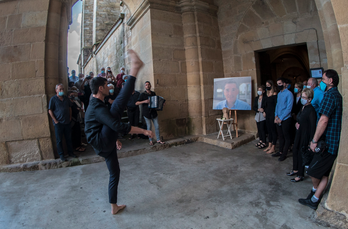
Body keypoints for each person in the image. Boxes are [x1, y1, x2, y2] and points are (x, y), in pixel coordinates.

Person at [85, 50, 154, 215]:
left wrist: (114, 140)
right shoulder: (97, 108)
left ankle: (114, 206)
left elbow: (102, 126)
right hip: (101, 143)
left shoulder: (97, 103)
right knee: (116, 108)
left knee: (115, 172)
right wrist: (144, 131)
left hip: (105, 144)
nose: (110, 86)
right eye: (107, 85)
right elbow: (119, 126)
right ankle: (134, 69)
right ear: (101, 88)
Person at [298, 69, 342, 210]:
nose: (321, 81)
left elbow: (323, 120)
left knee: (312, 171)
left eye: (323, 79)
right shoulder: (334, 95)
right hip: (330, 142)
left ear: (330, 81)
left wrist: (314, 140)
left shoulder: (330, 96)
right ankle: (314, 197)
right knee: (323, 173)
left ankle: (315, 195)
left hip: (327, 142)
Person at [287, 88, 316, 182]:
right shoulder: (303, 107)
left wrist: (311, 140)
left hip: (305, 134)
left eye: (304, 97)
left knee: (301, 153)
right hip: (299, 133)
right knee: (295, 150)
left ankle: (300, 174)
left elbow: (312, 126)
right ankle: (295, 169)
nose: (302, 99)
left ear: (310, 99)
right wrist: (297, 123)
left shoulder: (311, 110)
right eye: (302, 97)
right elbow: (299, 119)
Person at [48, 84, 77, 161]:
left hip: (67, 122)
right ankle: (61, 154)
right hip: (58, 123)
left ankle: (70, 152)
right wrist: (55, 120)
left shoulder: (66, 99)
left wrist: (70, 117)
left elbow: (69, 107)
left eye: (63, 89)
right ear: (56, 90)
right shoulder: (53, 99)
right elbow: (50, 110)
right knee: (59, 140)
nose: (62, 91)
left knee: (68, 138)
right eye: (60, 89)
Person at [136, 81, 165, 145]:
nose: (147, 86)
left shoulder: (153, 93)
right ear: (145, 86)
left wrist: (161, 104)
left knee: (157, 126)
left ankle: (158, 139)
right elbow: (137, 103)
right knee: (149, 127)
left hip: (153, 112)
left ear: (150, 86)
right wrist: (144, 101)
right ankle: (150, 141)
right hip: (146, 113)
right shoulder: (142, 94)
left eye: (148, 85)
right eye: (146, 85)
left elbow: (156, 102)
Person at [272, 77, 294, 161]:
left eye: (280, 84)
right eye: (278, 84)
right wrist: (276, 116)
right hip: (278, 118)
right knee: (280, 136)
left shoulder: (289, 94)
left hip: (286, 119)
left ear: (284, 84)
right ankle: (280, 151)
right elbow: (277, 105)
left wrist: (281, 118)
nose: (279, 86)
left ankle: (284, 154)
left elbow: (289, 108)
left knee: (286, 137)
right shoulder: (279, 94)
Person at [263, 80, 278, 154]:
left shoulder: (274, 94)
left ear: (271, 85)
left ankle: (273, 147)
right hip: (267, 114)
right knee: (269, 130)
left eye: (269, 85)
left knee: (273, 130)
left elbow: (276, 105)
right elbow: (266, 105)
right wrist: (264, 111)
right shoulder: (266, 94)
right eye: (266, 85)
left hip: (273, 113)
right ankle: (269, 145)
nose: (267, 86)